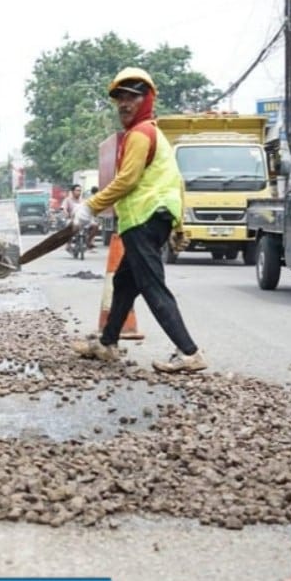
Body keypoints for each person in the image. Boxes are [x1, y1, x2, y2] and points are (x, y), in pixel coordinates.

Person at [70, 67, 206, 373]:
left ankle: (189, 352)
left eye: (131, 97)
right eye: (119, 98)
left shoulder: (140, 134)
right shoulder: (156, 135)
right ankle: (107, 344)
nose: (124, 104)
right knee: (124, 282)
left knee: (152, 285)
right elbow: (177, 183)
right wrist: (178, 224)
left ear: (147, 99)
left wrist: (90, 206)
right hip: (150, 220)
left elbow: (127, 180)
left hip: (143, 221)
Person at [62, 184, 99, 250]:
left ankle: (88, 241)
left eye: (80, 191)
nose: (79, 192)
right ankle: (68, 243)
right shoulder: (67, 200)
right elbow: (64, 209)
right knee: (71, 226)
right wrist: (66, 213)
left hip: (84, 220)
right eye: (77, 190)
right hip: (72, 219)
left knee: (95, 226)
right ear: (73, 191)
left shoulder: (84, 201)